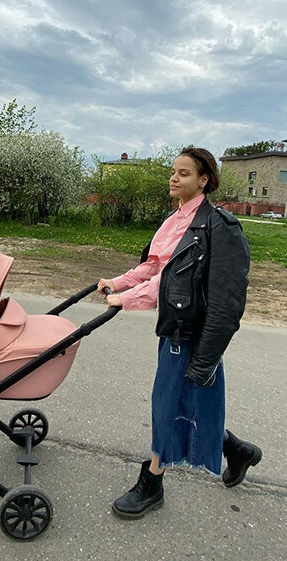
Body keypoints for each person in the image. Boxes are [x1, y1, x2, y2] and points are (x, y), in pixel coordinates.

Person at [98, 146, 262, 520]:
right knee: (186, 403)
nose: (174, 178)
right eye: (173, 171)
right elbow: (155, 267)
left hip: (194, 333)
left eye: (184, 173)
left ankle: (152, 483)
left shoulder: (218, 226)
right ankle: (236, 450)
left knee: (167, 404)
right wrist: (118, 283)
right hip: (176, 326)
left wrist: (126, 300)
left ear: (204, 180)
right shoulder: (175, 220)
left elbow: (202, 293)